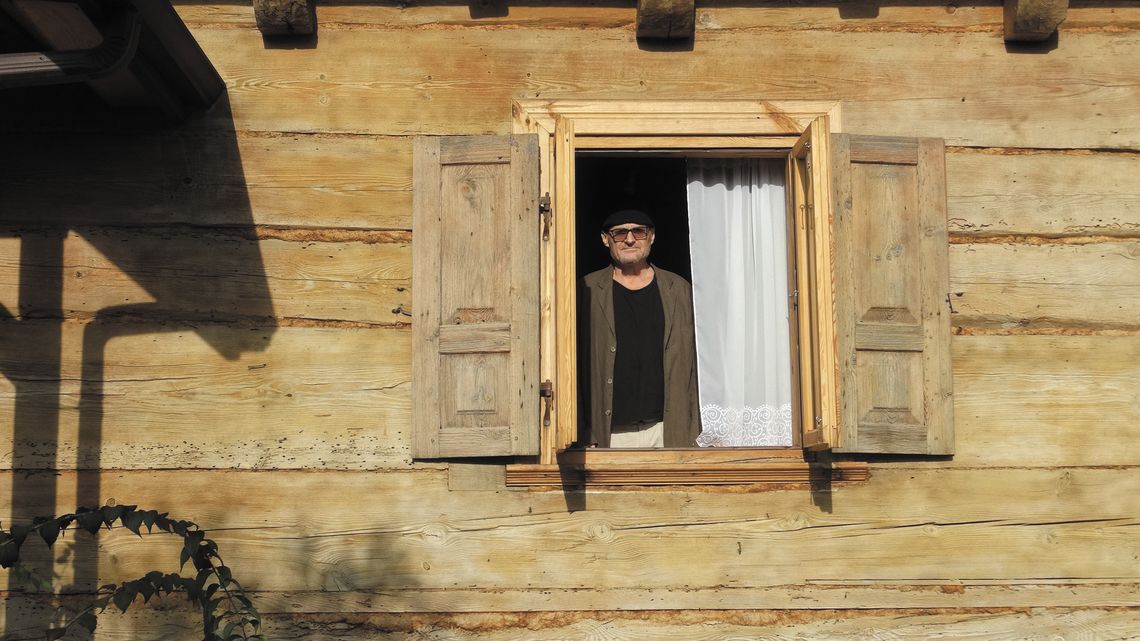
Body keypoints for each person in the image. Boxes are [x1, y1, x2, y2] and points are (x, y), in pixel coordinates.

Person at [578, 209, 699, 448]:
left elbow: (699, 364)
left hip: (667, 430)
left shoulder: (678, 290)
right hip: (606, 435)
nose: (630, 239)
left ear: (651, 237)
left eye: (639, 232)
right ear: (606, 239)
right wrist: (583, 432)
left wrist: (695, 430)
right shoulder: (587, 289)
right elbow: (571, 365)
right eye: (620, 233)